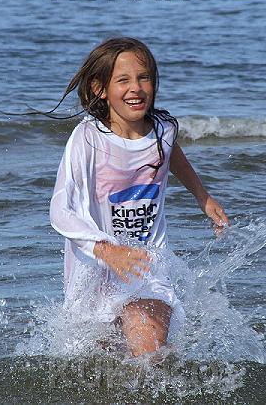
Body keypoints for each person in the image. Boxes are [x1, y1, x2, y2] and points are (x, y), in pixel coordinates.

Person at [49, 37, 229, 357]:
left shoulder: (163, 129)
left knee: (148, 351)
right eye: (123, 80)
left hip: (148, 267)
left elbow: (169, 151)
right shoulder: (88, 138)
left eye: (144, 77)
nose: (136, 88)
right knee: (101, 362)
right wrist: (108, 251)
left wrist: (202, 196)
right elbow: (60, 211)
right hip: (95, 273)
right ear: (100, 89)